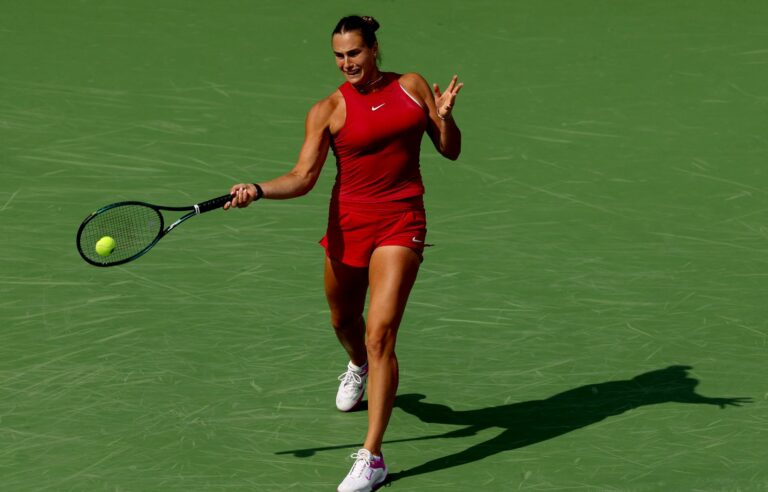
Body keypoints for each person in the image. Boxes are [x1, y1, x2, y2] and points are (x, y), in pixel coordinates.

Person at [224, 14, 462, 492]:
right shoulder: (327, 109)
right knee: (343, 321)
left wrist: (445, 116)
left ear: (374, 49)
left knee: (381, 333)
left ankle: (372, 456)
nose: (346, 63)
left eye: (354, 53)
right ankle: (357, 366)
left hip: (401, 221)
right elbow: (303, 177)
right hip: (348, 225)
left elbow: (450, 150)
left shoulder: (412, 86)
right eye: (339, 55)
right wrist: (258, 189)